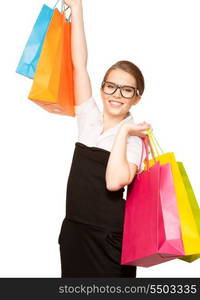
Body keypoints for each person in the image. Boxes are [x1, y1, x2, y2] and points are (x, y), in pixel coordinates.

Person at [58, 0, 152, 277]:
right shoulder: (88, 118)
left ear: (137, 98)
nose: (116, 94)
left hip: (109, 241)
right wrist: (77, 9)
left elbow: (114, 182)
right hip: (75, 232)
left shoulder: (134, 138)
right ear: (101, 89)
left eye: (126, 90)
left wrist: (123, 131)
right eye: (111, 86)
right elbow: (79, 65)